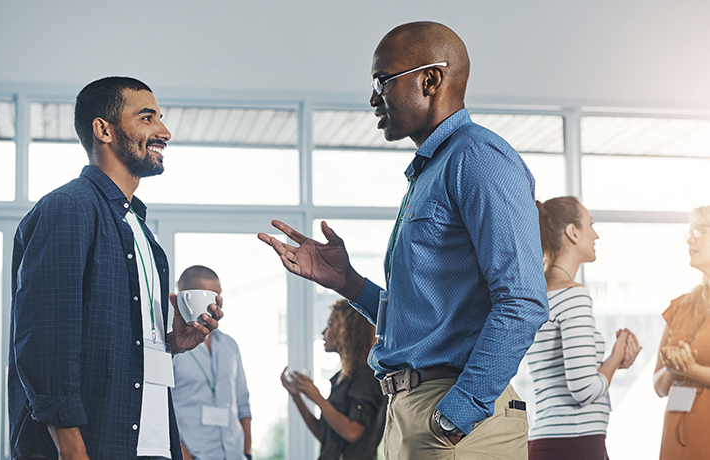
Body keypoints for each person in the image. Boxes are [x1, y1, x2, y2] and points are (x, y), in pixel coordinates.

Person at [258, 22, 549, 459]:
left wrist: (457, 413)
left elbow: (523, 300)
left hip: (453, 417)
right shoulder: (431, 171)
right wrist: (347, 281)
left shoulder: (479, 159)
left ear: (430, 80)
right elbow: (421, 317)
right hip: (409, 411)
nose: (373, 98)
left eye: (383, 81)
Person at [9, 76, 223, 460]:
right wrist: (71, 448)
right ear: (103, 130)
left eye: (160, 118)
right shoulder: (69, 207)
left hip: (150, 441)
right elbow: (44, 339)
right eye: (147, 118)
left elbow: (119, 345)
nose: (164, 132)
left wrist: (171, 344)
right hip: (91, 445)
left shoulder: (138, 227)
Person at [527, 197, 641, 460]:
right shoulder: (573, 295)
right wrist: (616, 355)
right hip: (574, 443)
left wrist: (614, 363)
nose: (596, 234)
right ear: (573, 232)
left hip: (551, 440)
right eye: (591, 224)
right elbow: (585, 390)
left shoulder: (540, 294)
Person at [280, 299, 387, 460]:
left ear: (346, 330)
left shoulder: (366, 376)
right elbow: (324, 436)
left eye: (330, 325)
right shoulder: (341, 379)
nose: (324, 332)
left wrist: (317, 397)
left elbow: (352, 433)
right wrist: (297, 397)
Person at [171, 265, 252, 460]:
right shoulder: (172, 347)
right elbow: (162, 406)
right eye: (210, 296)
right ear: (185, 297)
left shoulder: (230, 345)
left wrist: (246, 452)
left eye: (219, 296)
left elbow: (243, 402)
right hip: (193, 455)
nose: (218, 304)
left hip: (234, 454)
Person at [654, 205, 710, 460]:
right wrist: (673, 367)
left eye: (699, 231)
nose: (689, 240)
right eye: (689, 232)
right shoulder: (679, 307)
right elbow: (658, 386)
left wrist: (691, 369)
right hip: (675, 442)